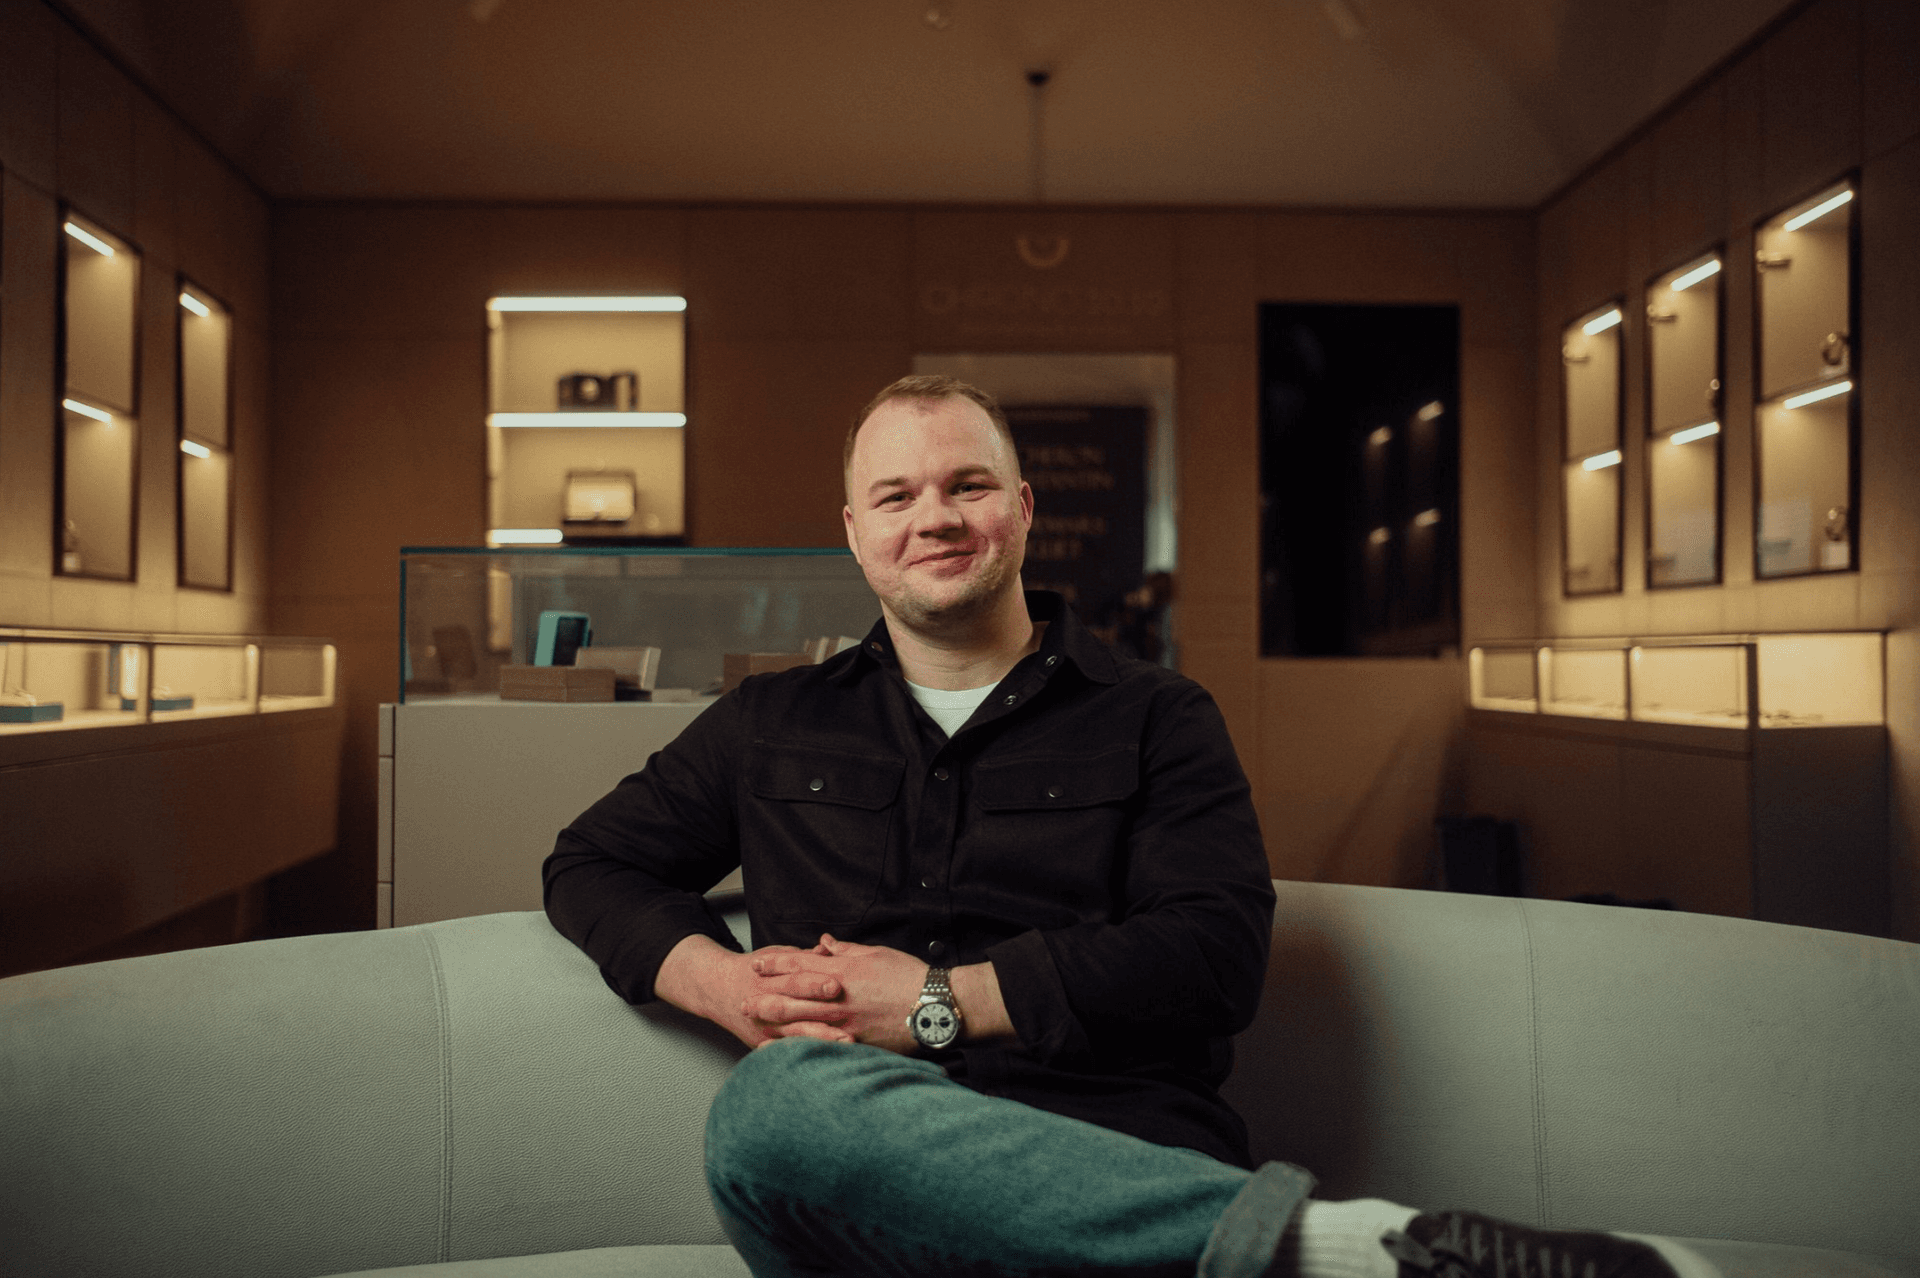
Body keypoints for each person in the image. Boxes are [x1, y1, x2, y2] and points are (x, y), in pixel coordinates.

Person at [543, 375, 1681, 1278]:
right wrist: (728, 989)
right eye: (896, 497)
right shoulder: (768, 725)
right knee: (775, 1114)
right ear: (856, 533)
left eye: (967, 485)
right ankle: (1345, 1258)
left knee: (785, 1113)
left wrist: (941, 1006)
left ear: (1023, 510)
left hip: (1122, 1166)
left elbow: (1216, 952)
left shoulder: (1157, 718)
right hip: (871, 1203)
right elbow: (590, 862)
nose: (934, 517)